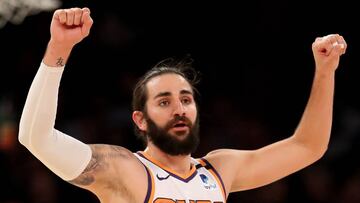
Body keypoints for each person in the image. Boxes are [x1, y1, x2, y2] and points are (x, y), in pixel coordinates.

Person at [18, 7, 347, 203]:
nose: (179, 108)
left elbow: (308, 147)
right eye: (164, 101)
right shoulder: (125, 170)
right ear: (141, 120)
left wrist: (325, 71)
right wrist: (58, 48)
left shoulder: (219, 170)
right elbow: (36, 138)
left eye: (186, 99)